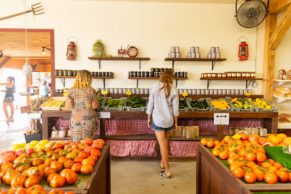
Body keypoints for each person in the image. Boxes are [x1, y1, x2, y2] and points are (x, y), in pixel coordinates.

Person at [146, 70, 179, 178]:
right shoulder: (174, 89)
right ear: (171, 77)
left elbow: (150, 103)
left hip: (158, 119)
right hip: (169, 119)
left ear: (161, 77)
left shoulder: (155, 86)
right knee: (165, 142)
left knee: (163, 144)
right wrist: (176, 121)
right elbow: (175, 109)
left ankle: (167, 170)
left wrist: (148, 117)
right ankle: (162, 162)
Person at [66, 70, 99, 141]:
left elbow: (68, 106)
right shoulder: (91, 90)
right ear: (88, 79)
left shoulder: (72, 90)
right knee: (87, 142)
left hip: (76, 118)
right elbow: (95, 106)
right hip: (88, 119)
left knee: (76, 144)